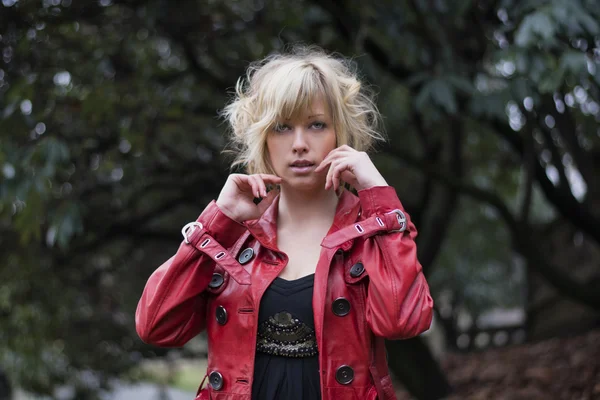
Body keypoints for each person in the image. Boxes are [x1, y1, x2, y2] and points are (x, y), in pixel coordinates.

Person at [135, 45, 434, 400]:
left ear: (341, 132)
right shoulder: (233, 236)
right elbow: (155, 326)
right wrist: (217, 223)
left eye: (317, 125)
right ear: (263, 137)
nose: (299, 144)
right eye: (282, 127)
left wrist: (378, 195)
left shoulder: (372, 232)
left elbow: (404, 322)